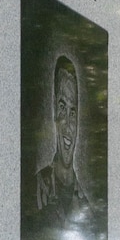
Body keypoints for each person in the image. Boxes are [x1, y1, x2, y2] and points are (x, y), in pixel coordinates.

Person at [34, 54, 90, 223]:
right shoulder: (35, 189)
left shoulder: (86, 210)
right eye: (62, 108)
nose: (67, 125)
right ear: (54, 113)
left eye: (72, 113)